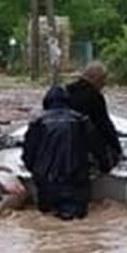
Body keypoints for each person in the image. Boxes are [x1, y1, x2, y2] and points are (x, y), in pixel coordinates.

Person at [22, 86, 110, 220]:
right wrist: (105, 166)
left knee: (46, 221)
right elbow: (98, 148)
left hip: (46, 183)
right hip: (75, 183)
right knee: (74, 222)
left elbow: (28, 155)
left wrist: (35, 172)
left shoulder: (37, 123)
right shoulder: (81, 120)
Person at [66, 61, 124, 168]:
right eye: (102, 79)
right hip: (83, 148)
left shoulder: (66, 91)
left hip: (64, 145)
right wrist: (118, 150)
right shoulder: (94, 97)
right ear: (94, 78)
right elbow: (104, 125)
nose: (104, 83)